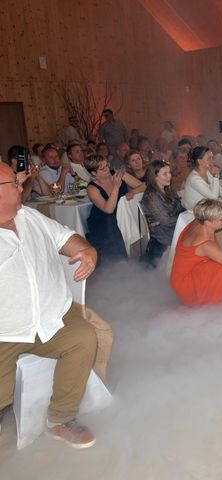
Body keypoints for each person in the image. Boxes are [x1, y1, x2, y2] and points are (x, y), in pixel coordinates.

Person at [0, 162, 100, 448]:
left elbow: (66, 237)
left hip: (52, 316)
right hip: (5, 332)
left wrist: (87, 250)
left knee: (84, 338)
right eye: (15, 183)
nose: (22, 186)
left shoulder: (30, 216)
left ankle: (60, 418)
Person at [85, 154, 144, 263]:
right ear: (93, 173)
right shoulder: (92, 188)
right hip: (103, 221)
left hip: (123, 214)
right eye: (102, 168)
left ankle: (135, 261)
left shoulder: (117, 174)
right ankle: (120, 265)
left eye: (107, 165)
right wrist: (116, 187)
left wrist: (132, 191)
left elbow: (143, 185)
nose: (107, 169)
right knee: (112, 225)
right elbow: (108, 210)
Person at [140, 160, 185, 267]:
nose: (169, 176)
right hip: (163, 234)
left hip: (174, 227)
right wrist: (185, 218)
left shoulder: (169, 189)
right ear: (154, 176)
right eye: (164, 174)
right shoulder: (151, 196)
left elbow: (180, 208)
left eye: (169, 173)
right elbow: (167, 221)